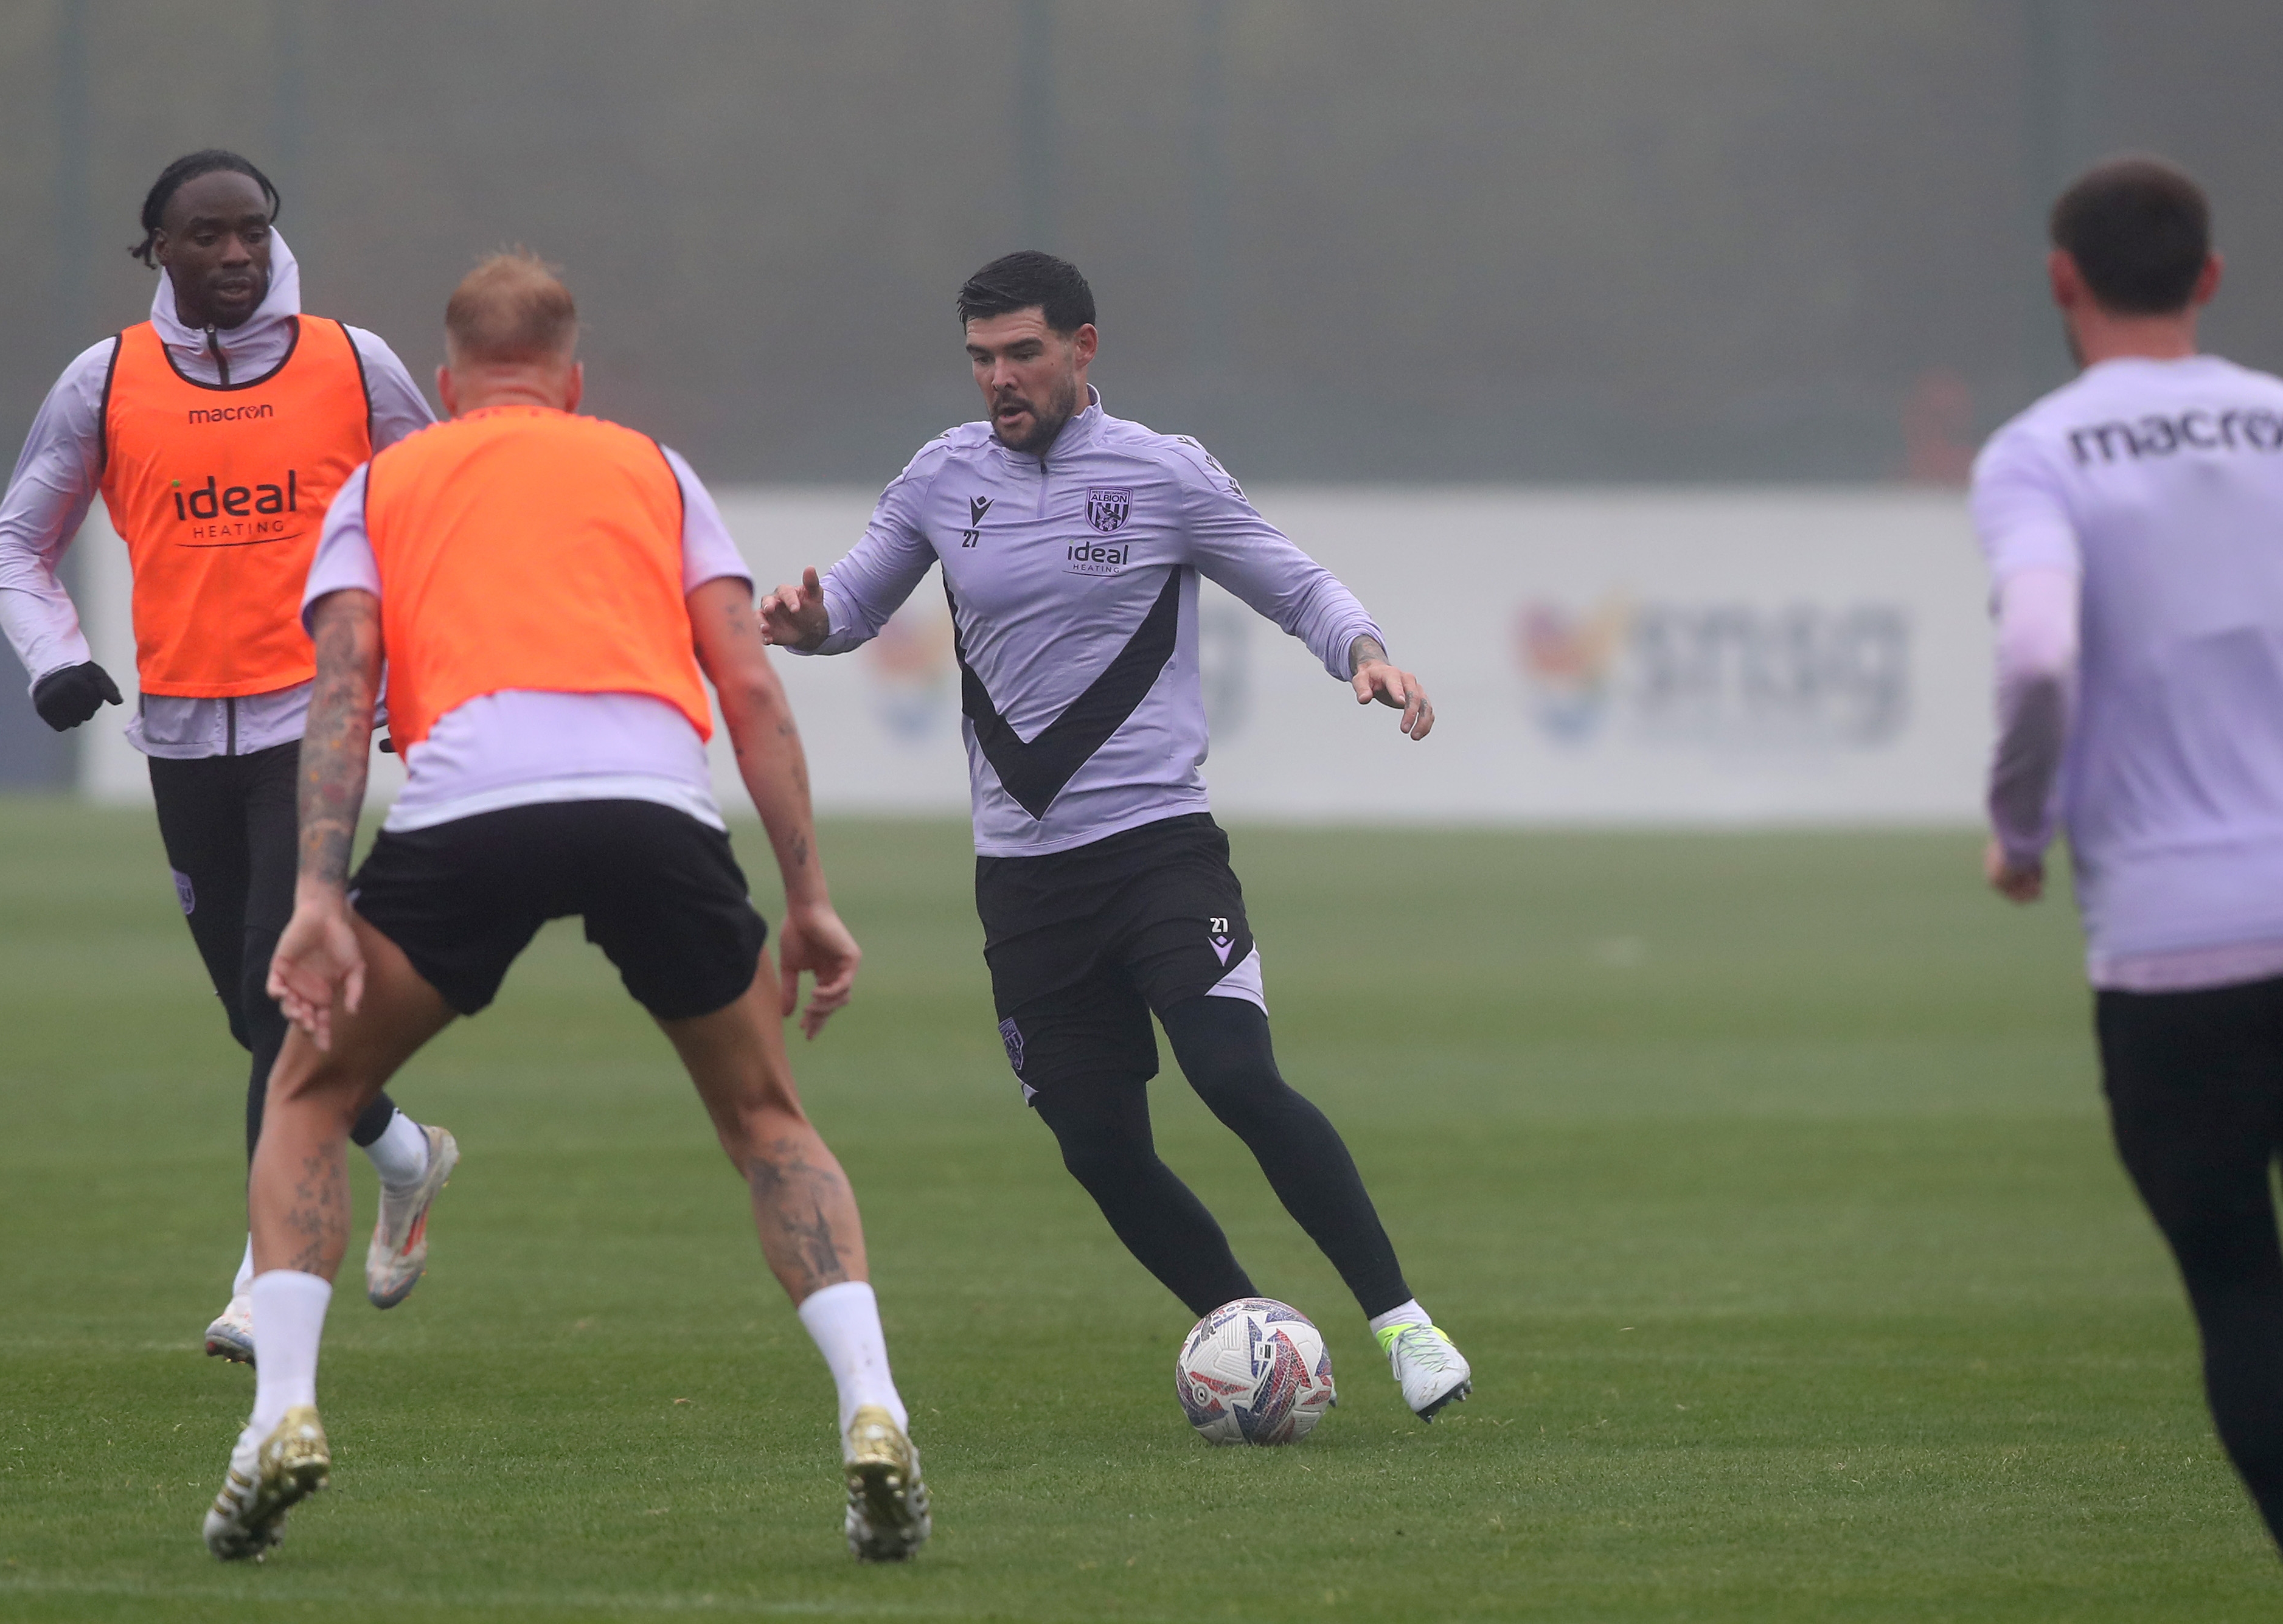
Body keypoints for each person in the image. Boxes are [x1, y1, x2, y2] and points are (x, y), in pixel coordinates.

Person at [200, 253, 928, 1563]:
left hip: (471, 803)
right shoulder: (651, 468)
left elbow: (343, 688)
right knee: (766, 1118)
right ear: (574, 379)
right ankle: (872, 1406)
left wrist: (316, 891)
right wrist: (810, 898)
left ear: (442, 382)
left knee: (307, 1095)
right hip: (652, 802)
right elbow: (750, 690)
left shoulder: (385, 479)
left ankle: (283, 1413)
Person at [760, 251, 1470, 1421]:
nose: (1001, 379)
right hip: (1025, 883)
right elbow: (854, 599)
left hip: (1156, 850)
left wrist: (1366, 653)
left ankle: (1401, 1321)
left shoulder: (1161, 473)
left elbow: (1295, 584)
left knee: (1234, 1076)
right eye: (982, 358)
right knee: (1098, 1148)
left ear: (1083, 350)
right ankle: (1261, 1341)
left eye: (1023, 353)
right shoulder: (943, 478)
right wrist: (810, 618)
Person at [0, 150, 458, 1365]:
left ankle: (263, 1275)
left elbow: (441, 515)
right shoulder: (106, 381)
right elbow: (16, 547)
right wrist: (54, 658)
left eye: (253, 231)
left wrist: (417, 680)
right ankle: (405, 1152)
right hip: (183, 734)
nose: (237, 255)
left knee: (277, 987)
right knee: (256, 1012)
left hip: (319, 722)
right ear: (158, 251)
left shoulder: (355, 364)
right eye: (206, 236)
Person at [1976, 155, 2283, 1555]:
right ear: (2208, 279)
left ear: (2061, 281)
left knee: (2238, 1289)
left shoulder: (2036, 452)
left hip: (2175, 952)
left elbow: (2038, 651)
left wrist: (2018, 822)